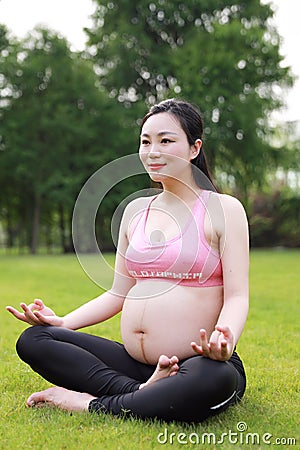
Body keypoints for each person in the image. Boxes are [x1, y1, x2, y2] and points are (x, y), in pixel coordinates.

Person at [6, 99, 249, 423]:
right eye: (145, 142)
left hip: (198, 362)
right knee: (35, 340)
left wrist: (226, 337)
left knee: (212, 379)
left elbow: (237, 296)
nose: (152, 151)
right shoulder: (136, 212)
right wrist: (63, 323)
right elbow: (118, 293)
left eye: (165, 140)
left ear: (194, 148)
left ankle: (89, 402)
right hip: (134, 361)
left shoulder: (224, 209)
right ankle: (146, 392)